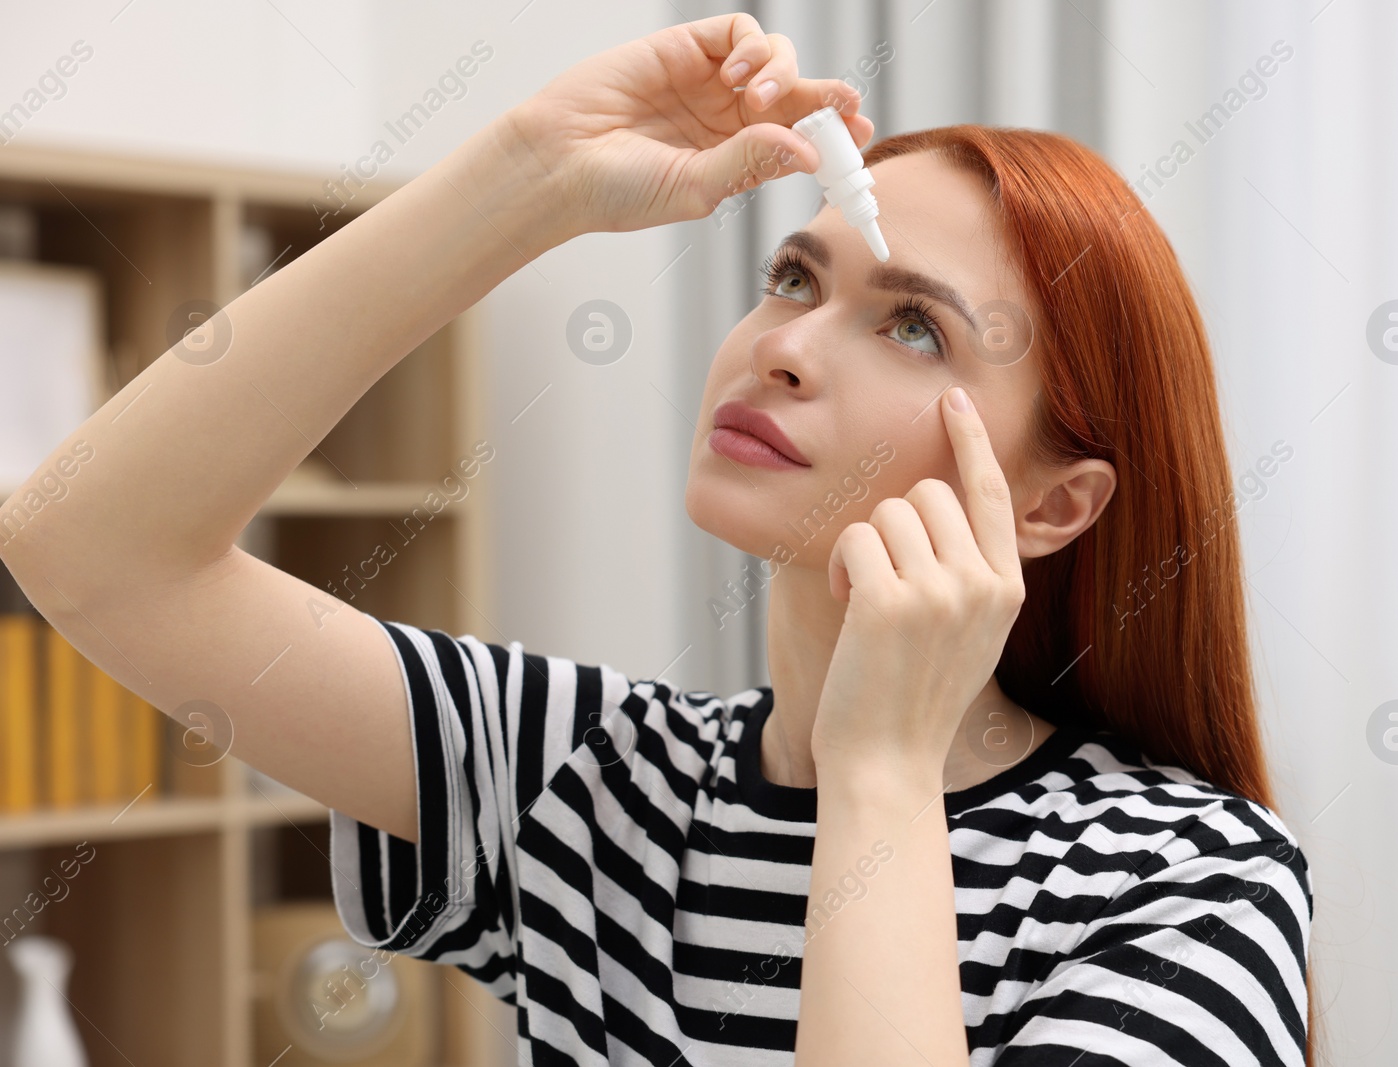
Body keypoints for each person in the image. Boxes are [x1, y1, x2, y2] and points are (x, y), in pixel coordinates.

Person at [0, 12, 1313, 1066]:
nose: (784, 347)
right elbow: (91, 549)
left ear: (1051, 507)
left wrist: (880, 774)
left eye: (913, 324)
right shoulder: (587, 780)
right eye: (794, 278)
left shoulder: (1190, 886)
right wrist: (527, 176)